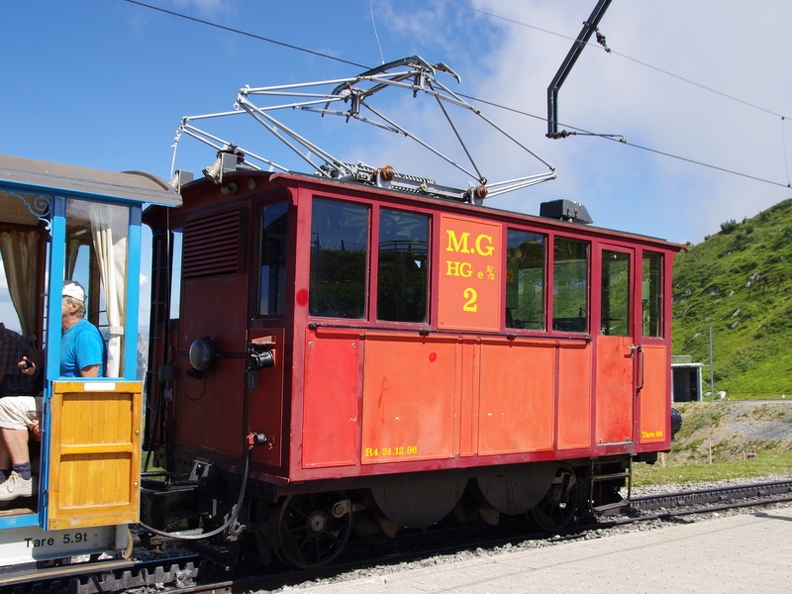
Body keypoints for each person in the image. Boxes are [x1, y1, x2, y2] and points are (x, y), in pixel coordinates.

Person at [0, 280, 104, 503]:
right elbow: (45, 354)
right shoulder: (62, 334)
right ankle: (7, 480)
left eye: (56, 301)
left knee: (6, 406)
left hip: (69, 407)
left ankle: (22, 475)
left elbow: (88, 387)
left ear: (73, 306)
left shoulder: (85, 334)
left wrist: (52, 418)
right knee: (4, 416)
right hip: (53, 402)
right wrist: (33, 364)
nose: (49, 306)